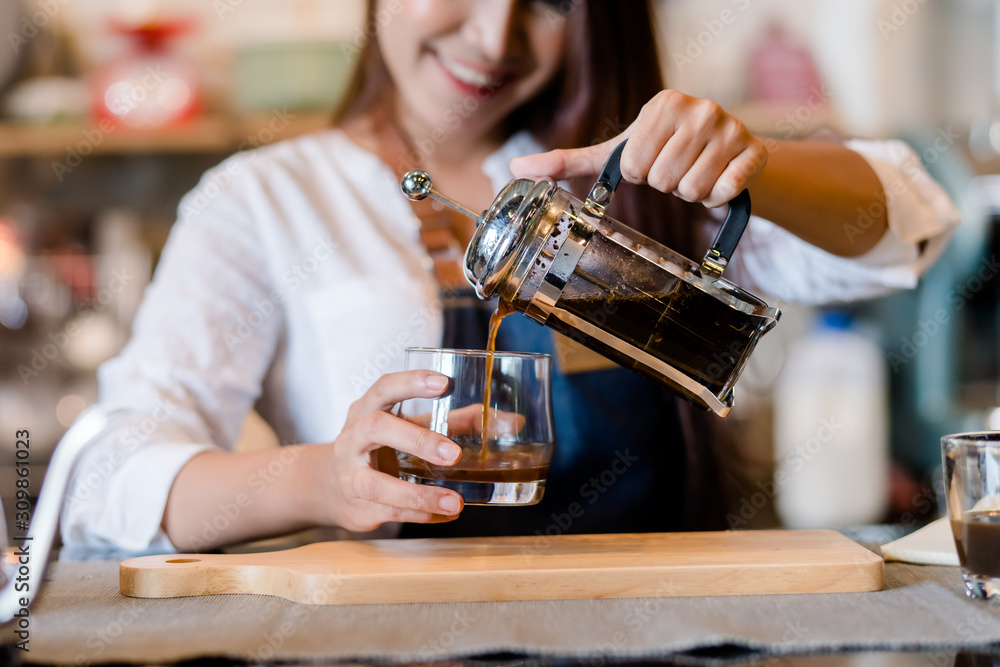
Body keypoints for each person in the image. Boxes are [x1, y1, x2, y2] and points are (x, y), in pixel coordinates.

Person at [60, 0, 959, 555]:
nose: (495, 34)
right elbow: (108, 477)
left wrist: (755, 163)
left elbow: (910, 223)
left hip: (669, 630)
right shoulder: (265, 201)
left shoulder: (620, 179)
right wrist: (316, 480)